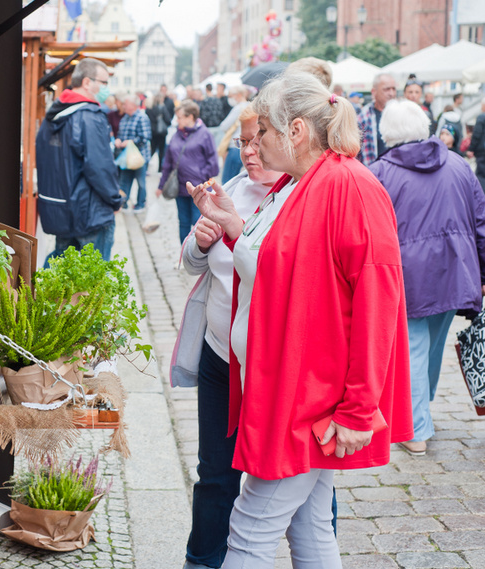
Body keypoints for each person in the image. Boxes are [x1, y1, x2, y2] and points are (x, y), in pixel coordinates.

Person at [191, 72, 413, 568]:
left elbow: (378, 299)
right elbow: (283, 260)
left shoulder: (348, 185)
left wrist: (359, 410)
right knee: (308, 527)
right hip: (290, 387)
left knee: (251, 528)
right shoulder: (302, 182)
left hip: (308, 395)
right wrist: (234, 230)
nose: (254, 144)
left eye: (262, 133)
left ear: (295, 131)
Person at [174, 104, 283, 569]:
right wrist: (199, 241)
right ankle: (201, 560)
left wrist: (236, 231)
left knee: (299, 476)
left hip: (272, 363)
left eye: (259, 140)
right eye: (242, 142)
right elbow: (192, 269)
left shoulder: (298, 198)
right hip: (222, 355)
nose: (250, 152)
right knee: (214, 472)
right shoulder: (232, 187)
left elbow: (281, 278)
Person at [369, 100, 485, 456]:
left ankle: (416, 426)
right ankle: (421, 411)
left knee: (413, 351)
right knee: (430, 347)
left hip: (409, 277)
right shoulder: (458, 165)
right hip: (456, 270)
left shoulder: (379, 173)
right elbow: (481, 220)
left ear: (387, 132)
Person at [35, 58, 122, 263]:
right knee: (93, 282)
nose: (105, 89)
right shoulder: (89, 116)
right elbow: (99, 166)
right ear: (86, 82)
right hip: (90, 211)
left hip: (62, 208)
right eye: (103, 82)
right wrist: (115, 199)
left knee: (63, 277)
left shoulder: (53, 115)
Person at [157, 101, 219, 244]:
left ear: (190, 117)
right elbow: (167, 163)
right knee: (183, 222)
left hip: (199, 188)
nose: (176, 120)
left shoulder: (205, 134)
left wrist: (201, 176)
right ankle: (184, 253)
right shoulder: (176, 135)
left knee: (198, 223)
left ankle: (199, 255)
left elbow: (213, 163)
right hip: (180, 187)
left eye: (179, 117)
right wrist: (161, 185)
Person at [115, 94, 152, 212]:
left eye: (125, 103)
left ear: (132, 105)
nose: (123, 106)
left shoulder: (142, 117)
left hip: (139, 157)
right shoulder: (125, 118)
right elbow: (120, 134)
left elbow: (145, 137)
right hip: (126, 157)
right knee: (124, 181)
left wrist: (131, 142)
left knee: (141, 182)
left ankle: (140, 203)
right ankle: (123, 203)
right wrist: (119, 140)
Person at [357, 73, 397, 166]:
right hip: (373, 174)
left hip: (397, 175)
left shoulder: (402, 115)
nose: (391, 93)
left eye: (393, 89)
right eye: (387, 89)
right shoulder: (363, 118)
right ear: (374, 92)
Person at [216, 85, 251, 184]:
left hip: (234, 146)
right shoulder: (250, 106)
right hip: (245, 145)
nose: (230, 98)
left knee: (228, 179)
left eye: (231, 95)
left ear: (238, 95)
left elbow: (224, 126)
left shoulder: (238, 108)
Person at [147, 93, 173, 172]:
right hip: (161, 133)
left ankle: (146, 166)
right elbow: (168, 120)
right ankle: (160, 169)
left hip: (153, 132)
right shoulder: (162, 107)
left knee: (152, 150)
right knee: (161, 152)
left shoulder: (149, 108)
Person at [468, 100, 485, 190]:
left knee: (481, 175)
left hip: (482, 151)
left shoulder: (481, 117)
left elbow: (477, 134)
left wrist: (471, 149)